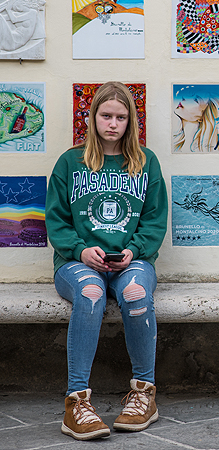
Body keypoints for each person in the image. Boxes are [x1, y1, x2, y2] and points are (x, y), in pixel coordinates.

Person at [46, 81, 168, 440]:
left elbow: (155, 220)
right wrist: (81, 250)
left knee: (135, 293)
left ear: (131, 121)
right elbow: (56, 221)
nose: (113, 124)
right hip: (76, 262)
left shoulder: (145, 162)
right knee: (91, 293)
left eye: (121, 117)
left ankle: (144, 394)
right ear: (93, 117)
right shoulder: (70, 163)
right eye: (106, 116)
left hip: (132, 261)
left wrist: (134, 250)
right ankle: (76, 402)